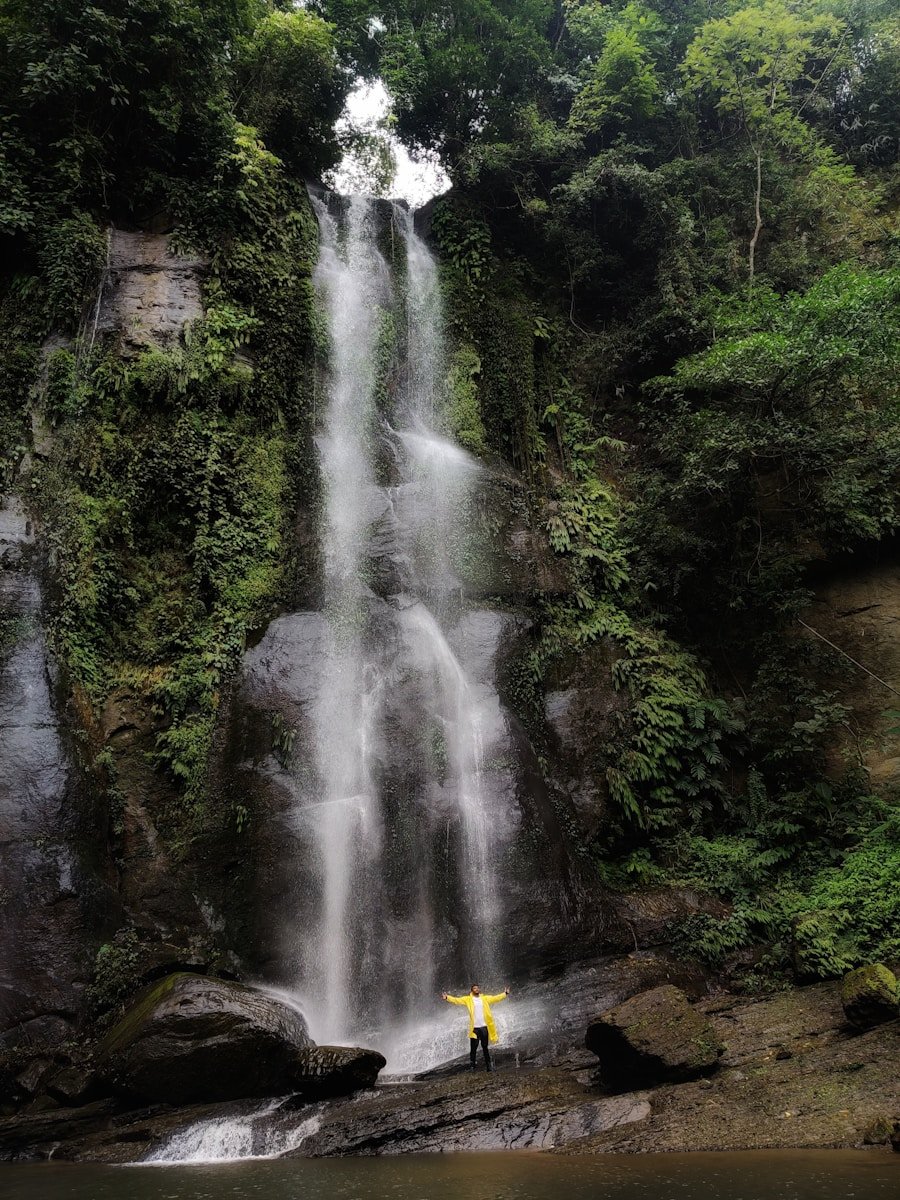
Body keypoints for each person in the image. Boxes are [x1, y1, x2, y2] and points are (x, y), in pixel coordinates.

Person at [441, 983, 510, 1072]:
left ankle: (489, 1066)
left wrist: (505, 994)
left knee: (485, 1047)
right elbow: (457, 1000)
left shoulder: (484, 998)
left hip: (484, 1027)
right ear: (472, 990)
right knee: (473, 1048)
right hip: (475, 1028)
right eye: (474, 988)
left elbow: (495, 998)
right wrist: (447, 998)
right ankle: (472, 1066)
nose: (477, 989)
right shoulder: (468, 999)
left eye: (477, 988)